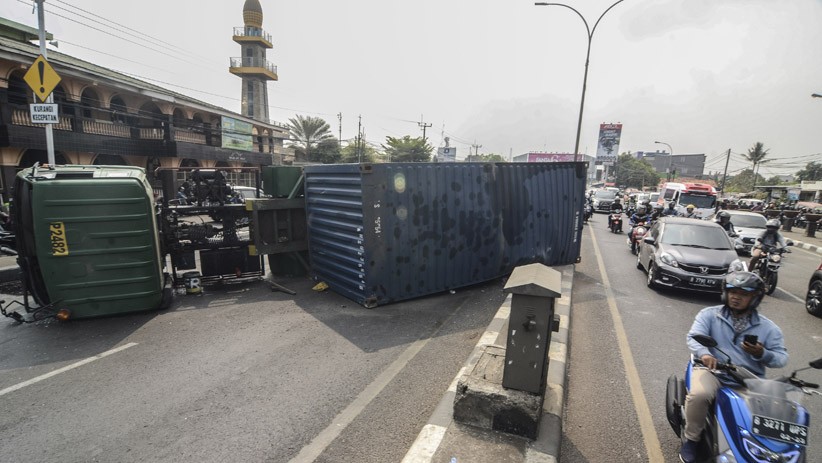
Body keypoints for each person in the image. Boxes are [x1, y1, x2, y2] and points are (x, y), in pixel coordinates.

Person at [679, 272, 788, 463]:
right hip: (713, 370)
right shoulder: (709, 315)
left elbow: (781, 359)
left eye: (743, 293)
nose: (736, 297)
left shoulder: (769, 328)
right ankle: (691, 440)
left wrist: (762, 353)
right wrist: (705, 354)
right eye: (732, 292)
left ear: (755, 298)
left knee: (771, 412)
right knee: (700, 395)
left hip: (748, 378)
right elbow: (694, 337)